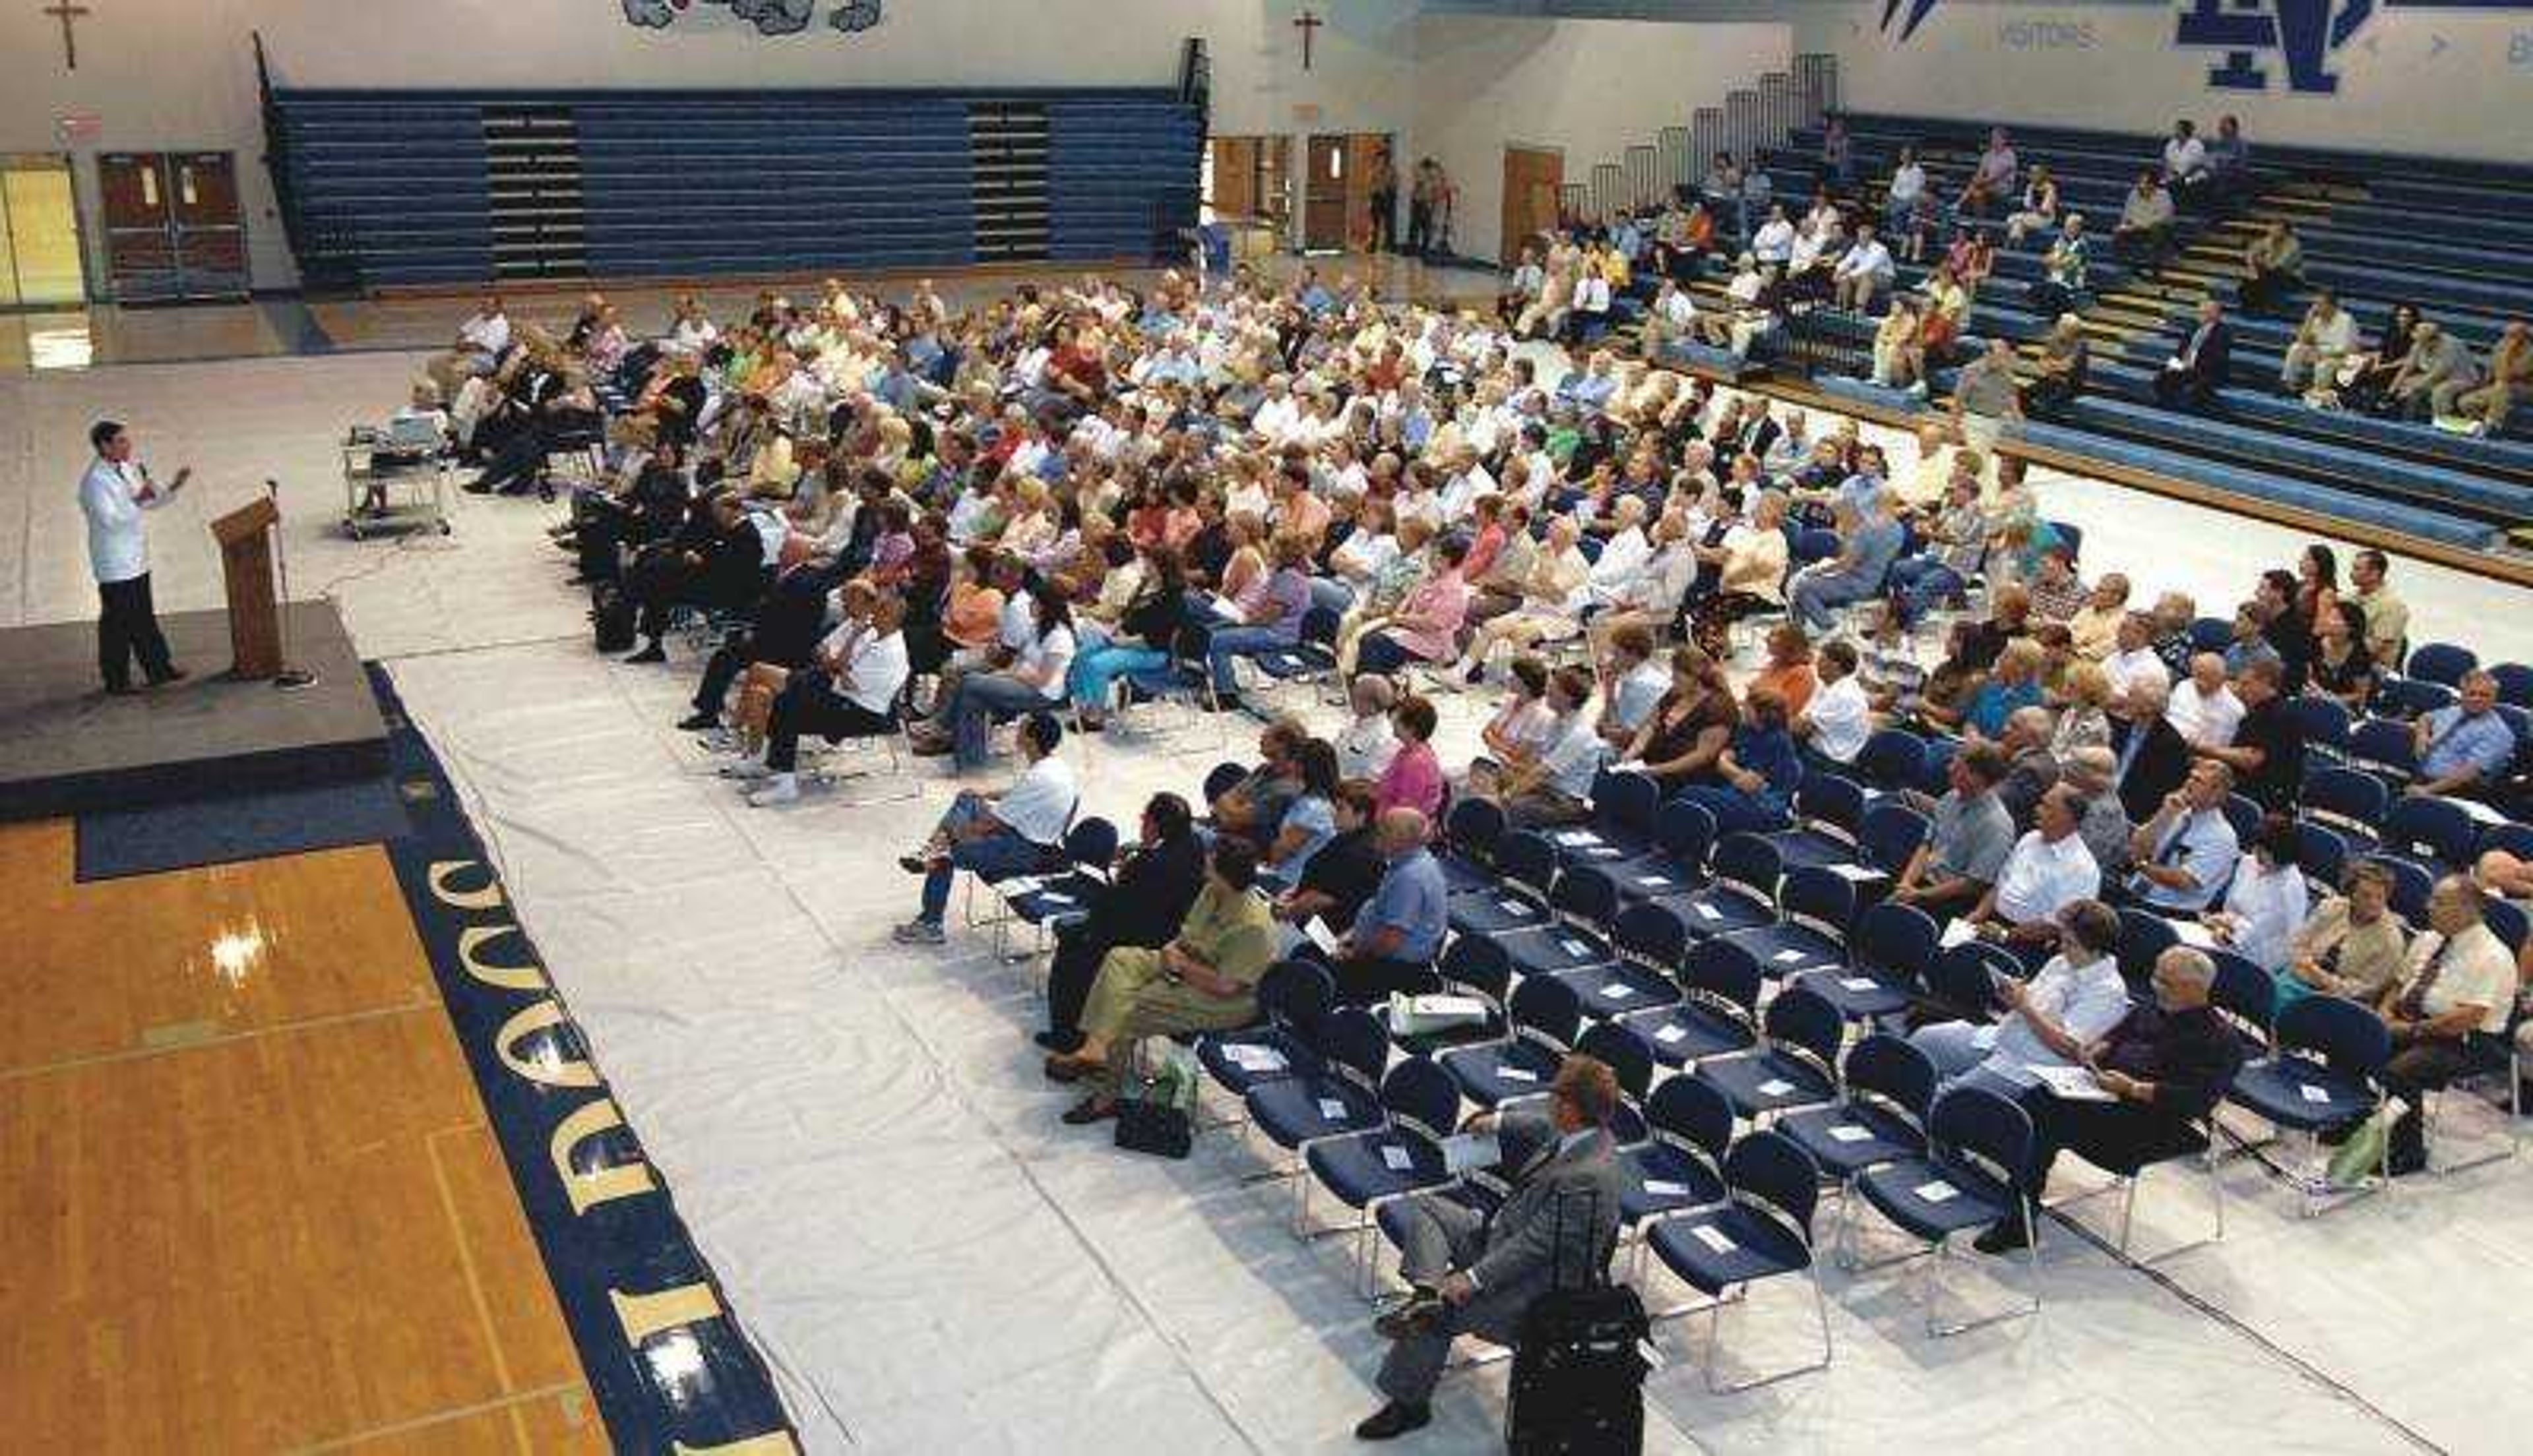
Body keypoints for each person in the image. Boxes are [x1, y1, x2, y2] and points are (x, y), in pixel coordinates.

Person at [1354, 1054, 1625, 1442]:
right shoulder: (1584, 1132)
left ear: (1570, 1108)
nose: (1548, 1103)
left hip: (1534, 1288)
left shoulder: (1588, 1178)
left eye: (1555, 1097)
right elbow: (1540, 1125)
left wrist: (1472, 1279)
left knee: (1442, 1315)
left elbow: (1536, 1248)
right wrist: (1496, 1122)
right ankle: (1427, 1293)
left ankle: (1409, 1404)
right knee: (1430, 1210)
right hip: (1500, 1236)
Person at [1970, 946, 2242, 1254]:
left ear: (2196, 989)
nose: (2156, 986)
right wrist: (2098, 1049)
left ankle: (2019, 1216)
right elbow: (2118, 1034)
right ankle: (2016, 1198)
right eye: (2156, 977)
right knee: (2035, 1099)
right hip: (2106, 1092)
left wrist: (2133, 1088)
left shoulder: (2220, 1042)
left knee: (2041, 1116)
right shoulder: (2156, 1007)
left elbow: (2195, 1101)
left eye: (2166, 983)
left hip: (2153, 1121)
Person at [1049, 835, 1280, 1126]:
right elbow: (1187, 935)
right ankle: (1097, 1048)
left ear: (1225, 876)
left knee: (1130, 1008)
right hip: (1184, 963)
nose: (1204, 869)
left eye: (1210, 866)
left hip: (1225, 1000)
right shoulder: (1212, 892)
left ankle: (1106, 1097)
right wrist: (1173, 951)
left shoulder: (1253, 926)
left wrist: (1181, 967)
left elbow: (1228, 986)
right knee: (1121, 959)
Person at [2361, 876, 2517, 1175]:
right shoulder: (2430, 938)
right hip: (2416, 1021)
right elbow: (2399, 983)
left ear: (2467, 909)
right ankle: (2355, 1119)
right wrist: (2383, 1014)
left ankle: (2408, 1152)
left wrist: (2408, 1031)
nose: (2428, 906)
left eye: (2439, 902)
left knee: (2402, 1070)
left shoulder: (2493, 956)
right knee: (2355, 1036)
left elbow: (2465, 1020)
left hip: (2470, 1042)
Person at [1038, 793, 1208, 1054]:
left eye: (1144, 819)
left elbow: (1112, 911)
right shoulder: (1194, 846)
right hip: (1174, 933)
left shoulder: (1147, 865)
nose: (1142, 824)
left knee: (1071, 946)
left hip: (1138, 939)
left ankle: (1067, 1036)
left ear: (1154, 825)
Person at [891, 712, 1079, 945]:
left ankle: (931, 923)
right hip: (1029, 836)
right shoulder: (1054, 767)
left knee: (944, 856)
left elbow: (990, 824)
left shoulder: (1039, 778)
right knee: (968, 798)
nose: (1016, 732)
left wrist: (951, 836)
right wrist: (984, 794)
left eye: (1021, 729)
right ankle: (932, 849)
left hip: (1025, 850)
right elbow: (1018, 796)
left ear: (1031, 739)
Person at [1912, 899, 2132, 1090]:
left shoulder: (2108, 992)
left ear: (2096, 949)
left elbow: (2069, 1048)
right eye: (2063, 939)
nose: (2062, 948)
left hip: (2032, 1065)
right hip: (2000, 1037)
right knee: (1922, 1041)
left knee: (1949, 1095)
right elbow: (2030, 1001)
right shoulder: (2062, 962)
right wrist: (2014, 995)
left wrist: (2024, 1007)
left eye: (2070, 943)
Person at [734, 592, 913, 806]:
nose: (873, 614)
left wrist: (840, 667)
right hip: (843, 695)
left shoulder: (891, 651)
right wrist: (848, 650)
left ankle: (785, 784)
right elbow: (840, 670)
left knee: (787, 704)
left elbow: (846, 679)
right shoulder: (875, 636)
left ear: (889, 616)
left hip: (863, 713)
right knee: (766, 692)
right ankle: (764, 760)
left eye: (879, 610)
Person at [78, 419, 190, 694]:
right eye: (121, 441)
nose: (128, 445)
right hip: (115, 563)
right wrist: (140, 501)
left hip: (136, 558)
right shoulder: (95, 481)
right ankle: (116, 681)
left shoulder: (126, 469)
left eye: (127, 440)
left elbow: (146, 501)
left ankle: (159, 669)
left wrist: (173, 488)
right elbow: (110, 521)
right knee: (118, 625)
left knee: (143, 617)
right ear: (104, 446)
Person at [1968, 786, 2104, 959]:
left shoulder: (2083, 869)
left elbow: (2057, 925)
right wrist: (1977, 915)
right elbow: (2000, 885)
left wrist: (2007, 934)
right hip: (1990, 923)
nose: (2037, 810)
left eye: (2046, 807)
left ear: (2067, 818)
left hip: (2028, 945)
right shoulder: (2030, 839)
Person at [1332, 808, 1449, 1004]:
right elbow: (1379, 910)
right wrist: (1351, 935)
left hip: (1395, 969)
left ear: (1403, 839)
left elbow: (1390, 943)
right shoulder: (1413, 861)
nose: (1378, 834)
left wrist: (1353, 953)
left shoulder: (1410, 878)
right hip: (1377, 951)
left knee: (1321, 972)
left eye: (1385, 830)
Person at [2279, 861, 2410, 1012]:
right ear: (2351, 894)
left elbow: (2365, 990)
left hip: (2341, 1002)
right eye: (2366, 896)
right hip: (2299, 978)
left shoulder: (2391, 941)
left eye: (2380, 897)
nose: (2374, 903)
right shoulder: (2332, 907)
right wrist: (2303, 966)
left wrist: (2320, 976)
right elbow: (2298, 943)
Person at [1673, 686, 1803, 836]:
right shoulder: (1747, 729)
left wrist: (1725, 764)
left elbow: (1748, 785)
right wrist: (1729, 767)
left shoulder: (1778, 742)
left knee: (1690, 795)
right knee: (1689, 784)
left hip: (1764, 805)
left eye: (1748, 705)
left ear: (1761, 714)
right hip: (1735, 793)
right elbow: (1730, 757)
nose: (1742, 707)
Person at [2127, 759, 2241, 914]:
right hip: (2133, 892)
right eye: (2191, 777)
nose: (2189, 784)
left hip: (2169, 910)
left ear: (2216, 794)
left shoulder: (2223, 838)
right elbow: (2137, 849)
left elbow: (2184, 881)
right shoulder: (2177, 810)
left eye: (2198, 781)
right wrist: (2164, 814)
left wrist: (2140, 866)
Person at [2202, 816, 2309, 973]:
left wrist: (2229, 930)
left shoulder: (2291, 887)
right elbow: (2230, 906)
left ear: (2282, 852)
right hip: (2228, 937)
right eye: (2256, 847)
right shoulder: (2248, 863)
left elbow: (2260, 932)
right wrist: (2220, 923)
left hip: (2263, 958)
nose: (2256, 854)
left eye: (2264, 851)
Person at [2199, 657, 2303, 811]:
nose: (2241, 689)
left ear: (2265, 682)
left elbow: (2251, 759)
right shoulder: (2260, 712)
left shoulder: (2277, 716)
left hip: (2262, 799)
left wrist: (2202, 748)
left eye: (2247, 684)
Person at [2410, 670, 2516, 801]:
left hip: (2454, 791)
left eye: (2484, 695)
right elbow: (2426, 717)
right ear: (2462, 694)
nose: (2476, 699)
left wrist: (2427, 790)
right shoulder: (2455, 710)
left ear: (2494, 698)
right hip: (2419, 775)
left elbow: (2468, 773)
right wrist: (2422, 736)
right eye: (2471, 694)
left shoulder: (2500, 734)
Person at [1795, 638, 1871, 768]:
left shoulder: (1843, 695)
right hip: (1816, 750)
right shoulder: (1828, 686)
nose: (1816, 664)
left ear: (1835, 665)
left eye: (1821, 660)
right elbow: (1803, 720)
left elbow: (1802, 728)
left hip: (1830, 762)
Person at [2152, 299, 2233, 411]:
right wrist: (2172, 364)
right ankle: (2167, 408)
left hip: (2207, 371)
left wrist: (2191, 366)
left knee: (2193, 389)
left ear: (2215, 314)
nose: (2200, 315)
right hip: (2187, 367)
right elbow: (2180, 350)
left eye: (2204, 312)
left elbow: (2217, 358)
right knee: (2161, 378)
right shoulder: (2193, 327)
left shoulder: (2223, 332)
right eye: (2199, 312)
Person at [2280, 290, 2359, 396]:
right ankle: (2290, 385)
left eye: (2320, 304)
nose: (2315, 307)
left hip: (2342, 358)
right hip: (2320, 353)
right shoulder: (2316, 320)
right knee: (2296, 348)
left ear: (2331, 306)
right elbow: (2302, 341)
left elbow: (2349, 349)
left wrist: (2323, 353)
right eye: (2315, 304)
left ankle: (2318, 394)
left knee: (2324, 364)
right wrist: (2309, 319)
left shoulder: (2346, 320)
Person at [2023, 314, 2090, 421]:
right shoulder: (2053, 339)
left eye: (2061, 326)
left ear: (2071, 330)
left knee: (2046, 402)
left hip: (2071, 383)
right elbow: (2041, 362)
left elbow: (2067, 366)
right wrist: (2053, 365)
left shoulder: (2081, 344)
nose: (2058, 328)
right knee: (2025, 394)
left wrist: (2051, 364)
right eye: (2059, 326)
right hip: (2052, 378)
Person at [1334, 673, 1401, 780]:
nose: (1352, 701)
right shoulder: (1353, 721)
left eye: (1358, 698)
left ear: (1373, 705)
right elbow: (1336, 749)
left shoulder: (1385, 737)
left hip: (1353, 789)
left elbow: (1373, 778)